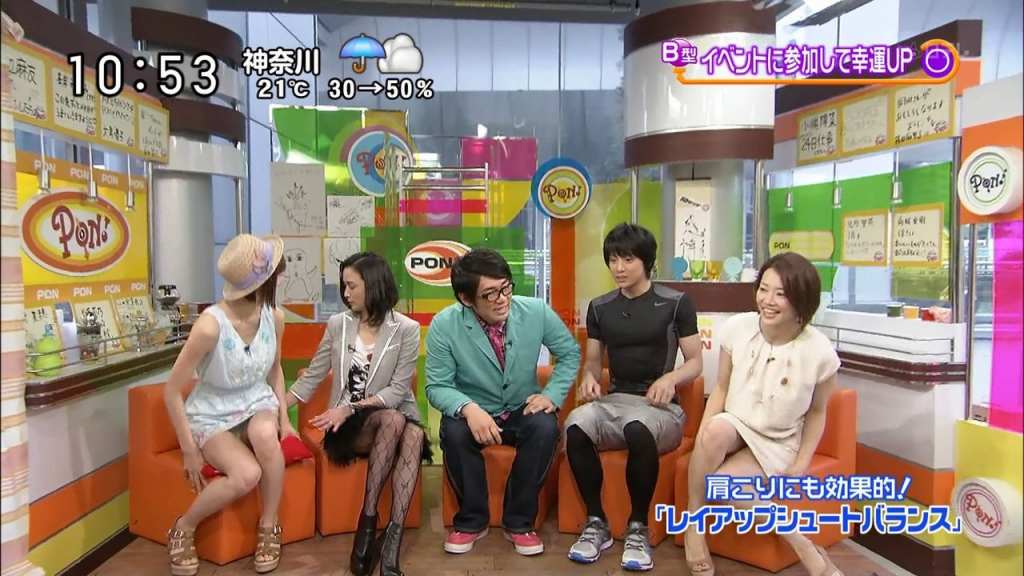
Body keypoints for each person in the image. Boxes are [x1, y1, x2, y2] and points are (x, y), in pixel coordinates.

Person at [684, 252, 843, 576]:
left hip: (778, 440)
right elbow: (722, 387)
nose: (767, 301)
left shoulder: (820, 351)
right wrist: (703, 433)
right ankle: (693, 525)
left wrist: (801, 462)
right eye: (763, 289)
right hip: (736, 423)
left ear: (802, 300)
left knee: (725, 486)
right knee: (714, 431)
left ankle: (801, 543)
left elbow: (817, 412)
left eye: (780, 294)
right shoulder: (737, 328)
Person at [564, 223, 703, 571]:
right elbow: (593, 361)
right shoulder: (600, 307)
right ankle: (596, 522)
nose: (619, 268)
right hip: (614, 402)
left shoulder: (676, 303)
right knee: (575, 425)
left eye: (627, 259)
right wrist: (589, 378)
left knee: (638, 428)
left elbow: (695, 362)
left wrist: (671, 378)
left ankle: (638, 527)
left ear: (646, 261)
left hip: (661, 409)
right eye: (613, 259)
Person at [425, 247, 581, 557]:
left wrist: (551, 395)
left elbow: (570, 353)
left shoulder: (536, 311)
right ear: (466, 299)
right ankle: (471, 520)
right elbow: (437, 385)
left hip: (522, 406)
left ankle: (519, 522)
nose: (502, 299)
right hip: (475, 407)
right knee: (454, 431)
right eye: (490, 294)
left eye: (506, 288)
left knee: (544, 427)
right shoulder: (445, 324)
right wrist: (469, 409)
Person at [163, 234, 297, 575]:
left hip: (256, 401)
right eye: (278, 274)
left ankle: (269, 525)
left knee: (266, 436)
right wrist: (189, 449)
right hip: (213, 413)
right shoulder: (210, 326)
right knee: (247, 474)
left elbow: (275, 370)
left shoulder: (274, 317)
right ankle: (183, 526)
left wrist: (284, 419)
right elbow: (172, 390)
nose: (282, 279)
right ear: (264, 282)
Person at [287, 252, 428, 576]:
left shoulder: (406, 329)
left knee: (410, 429)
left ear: (373, 285)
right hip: (350, 427)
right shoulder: (339, 325)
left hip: (384, 412)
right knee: (395, 421)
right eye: (344, 286)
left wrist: (350, 406)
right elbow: (312, 376)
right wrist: (278, 406)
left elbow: (397, 390)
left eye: (352, 286)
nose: (345, 293)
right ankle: (369, 519)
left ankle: (390, 542)